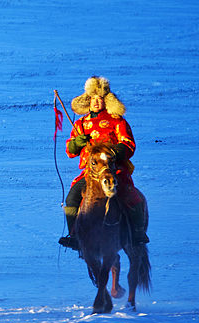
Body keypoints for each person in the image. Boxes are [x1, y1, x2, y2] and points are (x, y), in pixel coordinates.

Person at [58, 76, 149, 250]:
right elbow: (70, 151)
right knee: (71, 198)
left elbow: (129, 144)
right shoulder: (80, 124)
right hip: (90, 173)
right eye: (93, 99)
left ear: (106, 101)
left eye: (100, 99)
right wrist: (77, 143)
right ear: (88, 101)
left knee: (132, 197)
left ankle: (137, 232)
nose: (96, 102)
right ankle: (74, 235)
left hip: (114, 170)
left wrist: (113, 152)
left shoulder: (117, 121)